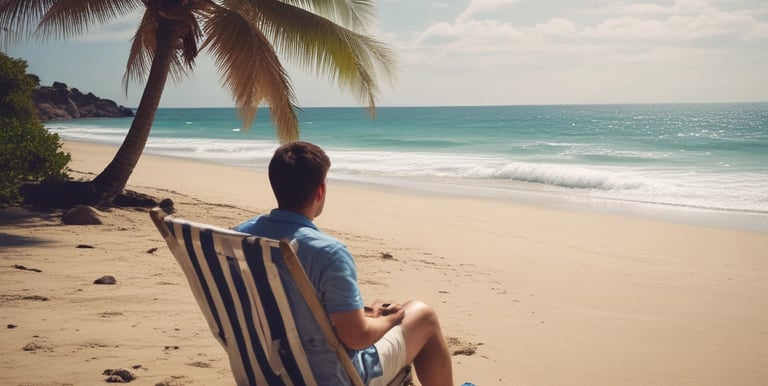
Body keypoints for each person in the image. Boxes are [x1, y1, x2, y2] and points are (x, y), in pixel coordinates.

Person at [234, 141, 454, 386]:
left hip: (266, 370)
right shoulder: (327, 253)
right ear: (320, 191)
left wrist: (370, 314)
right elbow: (356, 338)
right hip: (331, 377)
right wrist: (390, 319)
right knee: (422, 315)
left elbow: (288, 305)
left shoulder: (238, 238)